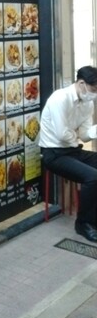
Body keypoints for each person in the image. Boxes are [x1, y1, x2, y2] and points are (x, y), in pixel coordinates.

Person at [39, 66, 97, 242]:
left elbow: (85, 135)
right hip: (53, 153)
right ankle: (83, 224)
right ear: (81, 83)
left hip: (72, 150)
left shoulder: (88, 104)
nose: (94, 94)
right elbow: (61, 134)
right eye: (94, 89)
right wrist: (75, 135)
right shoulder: (60, 98)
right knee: (93, 177)